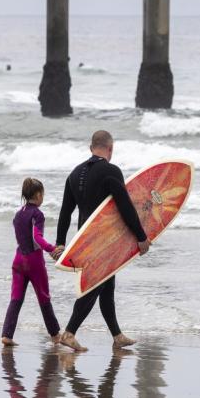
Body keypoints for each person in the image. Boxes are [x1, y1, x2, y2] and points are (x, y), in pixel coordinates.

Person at [55, 130, 150, 352]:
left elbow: (65, 212)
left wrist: (61, 242)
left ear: (91, 148)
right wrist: (141, 236)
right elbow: (125, 206)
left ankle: (117, 335)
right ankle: (69, 332)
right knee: (96, 287)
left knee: (107, 286)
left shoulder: (74, 173)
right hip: (105, 241)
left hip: (84, 238)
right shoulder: (111, 171)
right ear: (111, 148)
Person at [1, 178, 64, 347]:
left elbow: (23, 237)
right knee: (44, 298)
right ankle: (55, 335)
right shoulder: (37, 214)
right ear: (37, 195)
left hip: (18, 260)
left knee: (16, 298)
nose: (43, 197)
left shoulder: (18, 214)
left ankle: (7, 335)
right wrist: (51, 249)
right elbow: (37, 238)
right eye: (43, 194)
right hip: (34, 262)